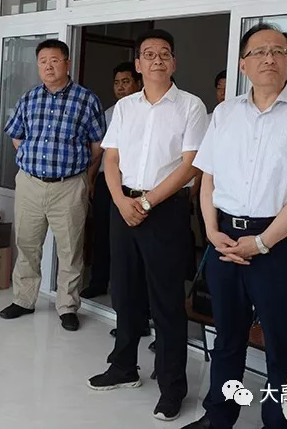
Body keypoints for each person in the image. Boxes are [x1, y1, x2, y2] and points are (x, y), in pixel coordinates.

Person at [182, 24, 287, 429]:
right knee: (227, 338)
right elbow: (208, 178)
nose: (268, 58)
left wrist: (262, 243)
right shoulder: (225, 113)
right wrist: (211, 231)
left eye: (277, 51)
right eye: (258, 52)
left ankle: (279, 422)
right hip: (224, 239)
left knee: (282, 343)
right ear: (243, 64)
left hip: (279, 244)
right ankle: (219, 417)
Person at [87, 30, 208, 423]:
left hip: (165, 210)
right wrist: (121, 201)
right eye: (149, 54)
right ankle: (123, 366)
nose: (157, 60)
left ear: (173, 62)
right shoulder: (125, 107)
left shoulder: (191, 106)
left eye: (164, 54)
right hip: (124, 206)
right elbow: (110, 159)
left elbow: (191, 165)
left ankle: (172, 387)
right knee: (124, 292)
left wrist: (146, 202)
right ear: (138, 64)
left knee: (167, 301)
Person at [0, 38, 105, 332]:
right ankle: (23, 299)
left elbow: (97, 144)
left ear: (67, 63)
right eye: (43, 61)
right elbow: (16, 136)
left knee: (70, 250)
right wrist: (31, 159)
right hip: (30, 184)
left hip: (69, 185)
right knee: (27, 244)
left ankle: (67, 306)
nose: (48, 66)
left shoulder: (86, 100)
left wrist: (80, 171)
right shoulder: (29, 98)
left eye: (55, 60)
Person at [81, 61, 142, 299]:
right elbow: (100, 153)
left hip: (133, 185)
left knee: (127, 240)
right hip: (107, 181)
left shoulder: (145, 112)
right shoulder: (109, 113)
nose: (120, 87)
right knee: (102, 234)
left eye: (126, 82)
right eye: (117, 83)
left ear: (138, 83)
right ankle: (98, 282)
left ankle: (125, 291)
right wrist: (90, 180)